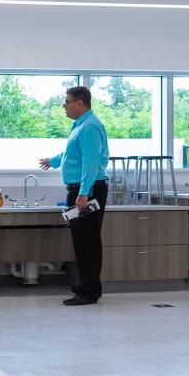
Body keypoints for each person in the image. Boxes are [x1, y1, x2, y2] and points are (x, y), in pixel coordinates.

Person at [39, 86, 109, 306]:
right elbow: (72, 154)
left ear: (80, 103)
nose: (64, 106)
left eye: (67, 102)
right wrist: (54, 161)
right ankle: (85, 287)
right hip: (80, 190)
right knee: (81, 241)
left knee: (88, 243)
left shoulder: (90, 127)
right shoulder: (80, 126)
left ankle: (90, 292)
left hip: (87, 191)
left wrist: (83, 194)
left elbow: (90, 162)